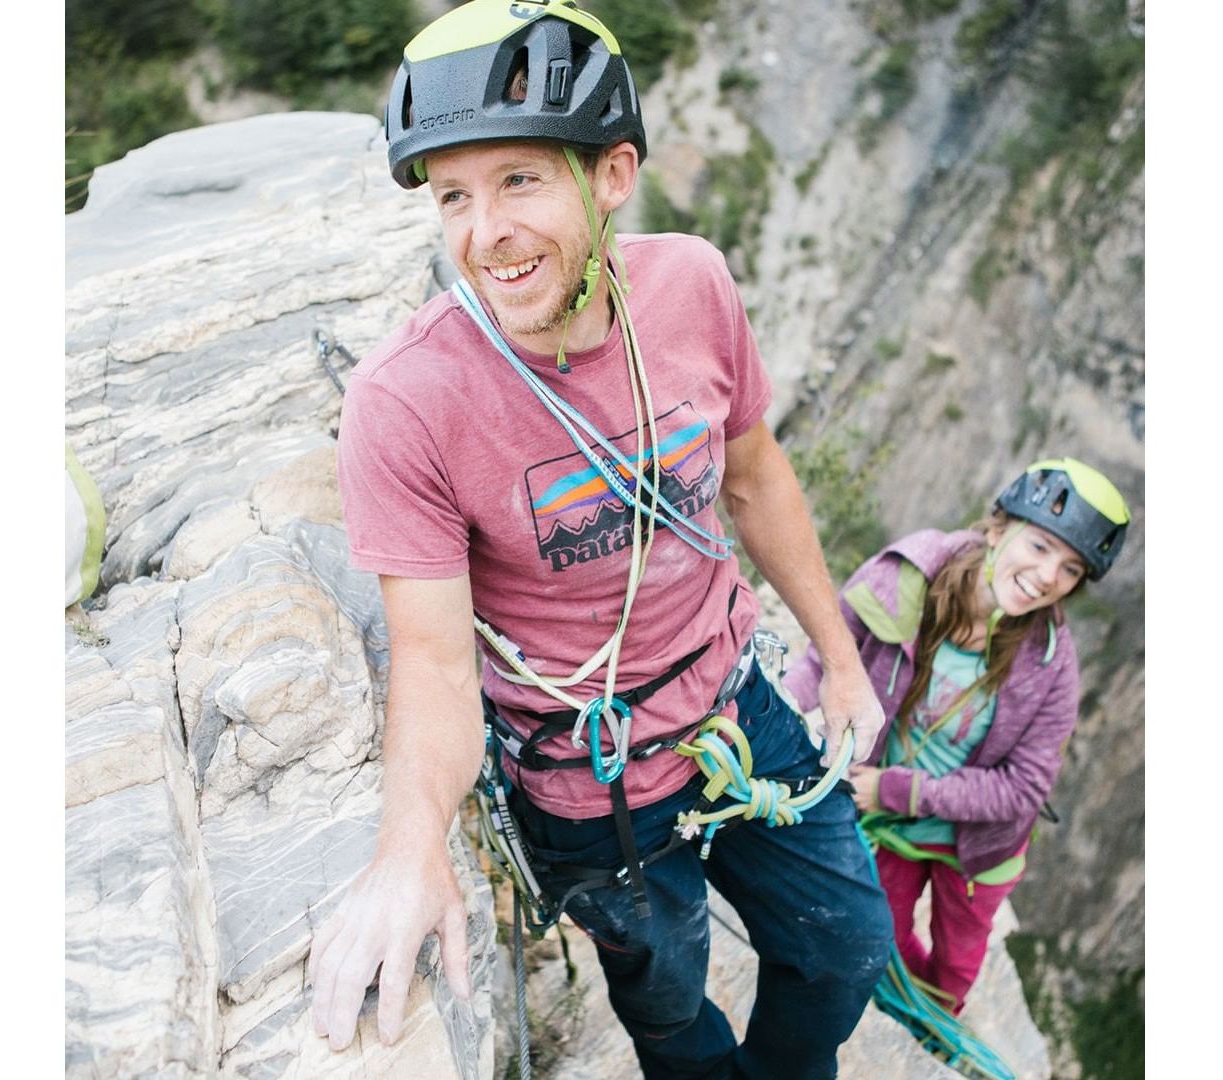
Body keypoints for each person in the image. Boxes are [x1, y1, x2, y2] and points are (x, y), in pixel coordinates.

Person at [309, 2, 892, 1075]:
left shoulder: (692, 286)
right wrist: (410, 847)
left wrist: (842, 663)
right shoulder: (408, 401)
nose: (484, 232)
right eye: (453, 196)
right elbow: (433, 661)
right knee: (667, 1004)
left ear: (612, 174)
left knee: (845, 948)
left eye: (519, 179)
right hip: (589, 779)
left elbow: (756, 476)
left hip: (735, 703)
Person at [784, 458, 1131, 1016]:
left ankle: (936, 1033)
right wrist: (777, 704)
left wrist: (896, 790)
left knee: (954, 969)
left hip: (976, 844)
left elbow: (1023, 788)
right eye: (1040, 546)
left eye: (1070, 569)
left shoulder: (1051, 664)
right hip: (896, 826)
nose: (1049, 576)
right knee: (883, 938)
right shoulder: (907, 576)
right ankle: (905, 1016)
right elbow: (830, 654)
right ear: (997, 529)